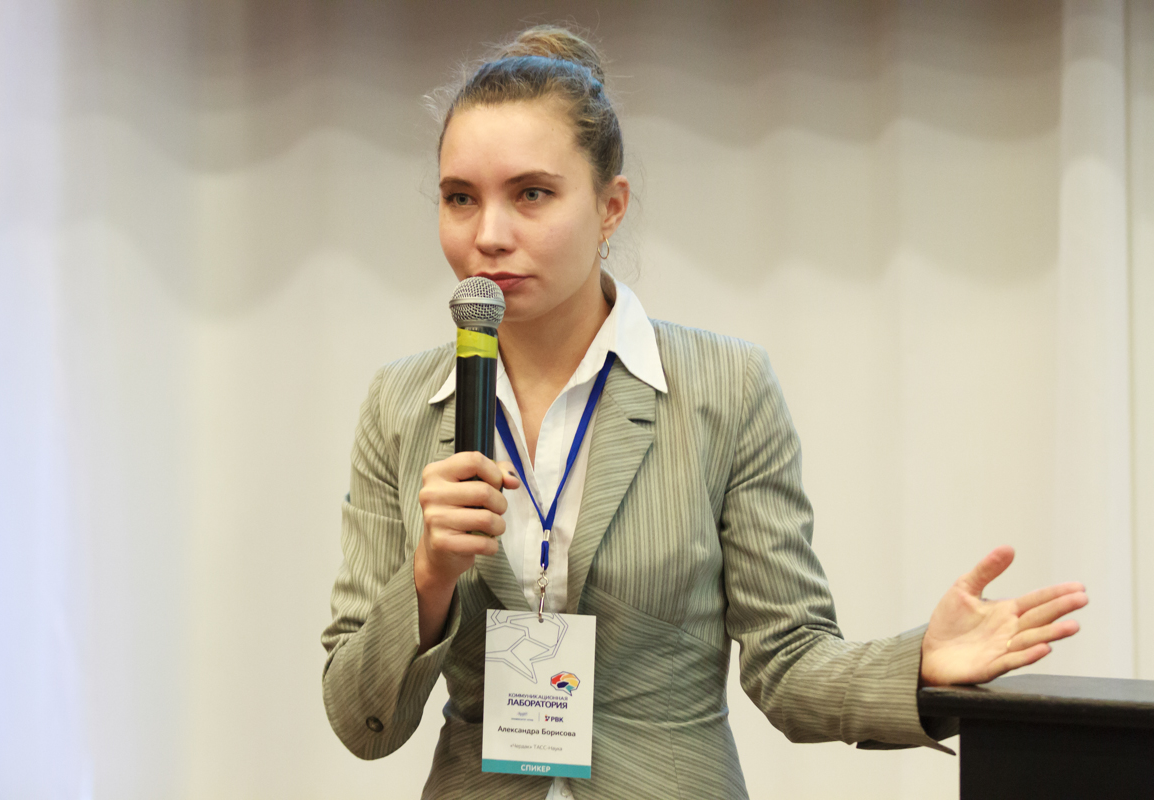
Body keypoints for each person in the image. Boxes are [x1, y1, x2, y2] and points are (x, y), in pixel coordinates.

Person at [321, 25, 1088, 800]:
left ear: (611, 207)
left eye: (532, 194)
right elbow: (360, 721)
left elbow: (788, 664)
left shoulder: (726, 387)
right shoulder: (401, 404)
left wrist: (918, 665)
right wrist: (429, 579)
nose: (488, 235)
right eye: (460, 198)